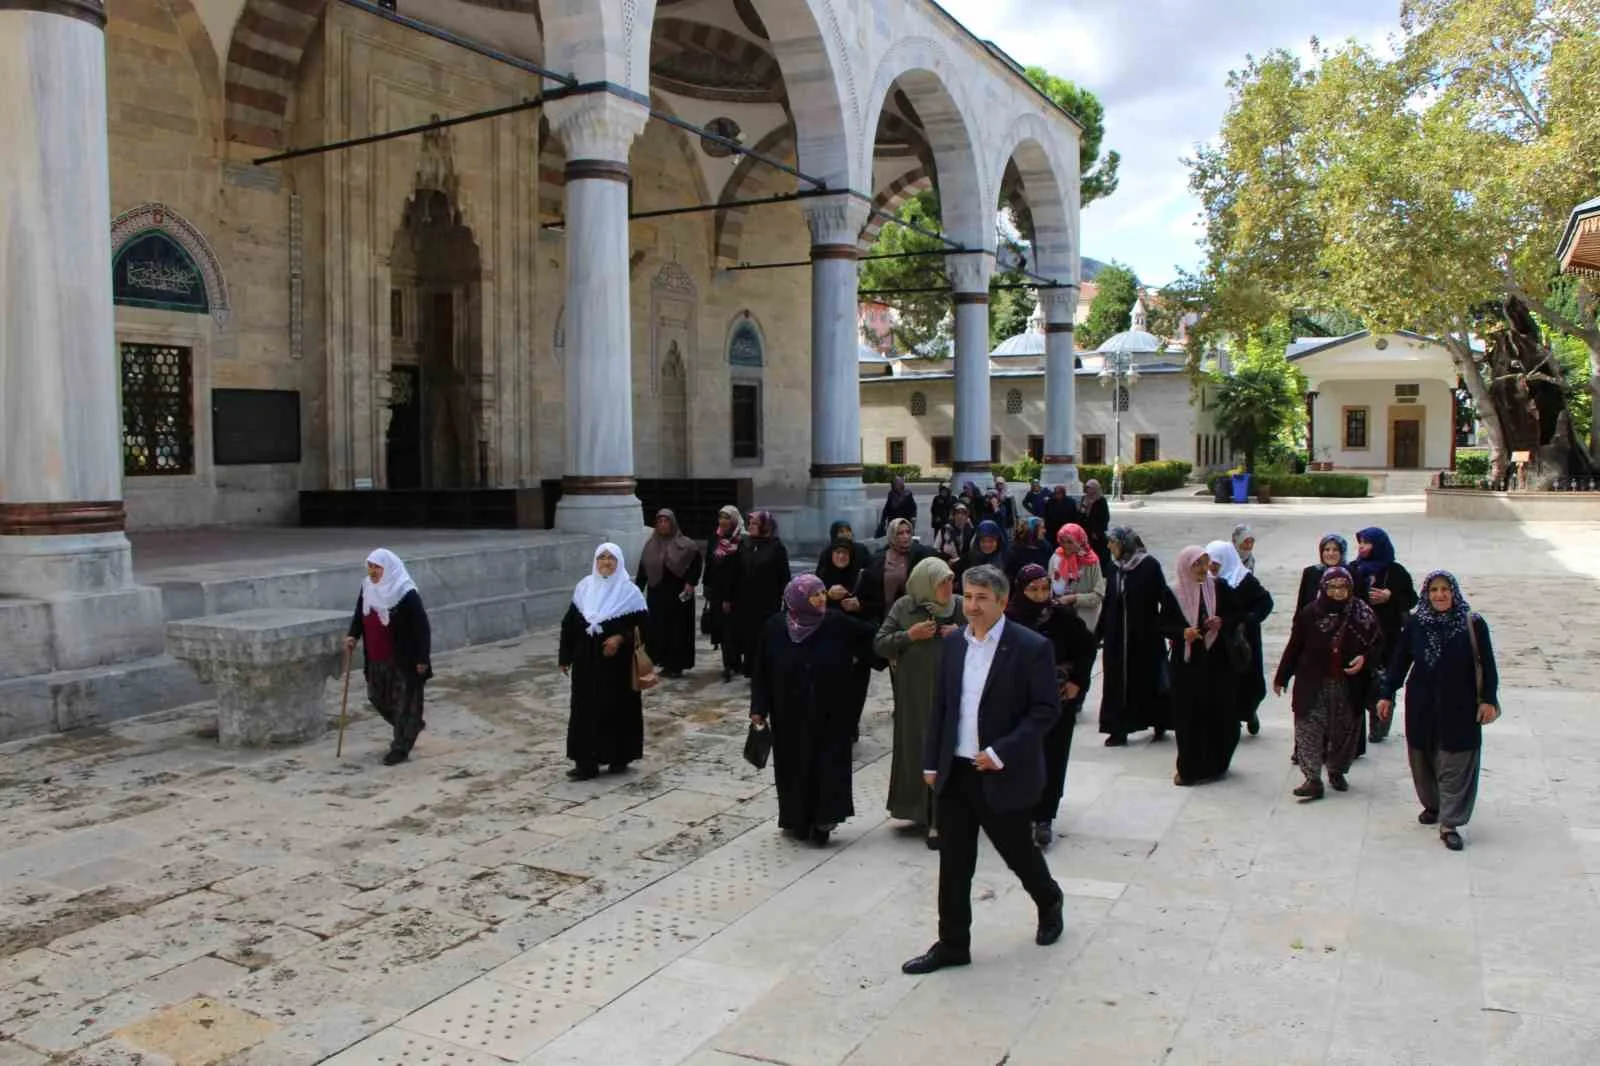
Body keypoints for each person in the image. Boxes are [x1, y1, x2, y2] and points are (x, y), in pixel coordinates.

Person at [901, 565, 1066, 975]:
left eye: (981, 599)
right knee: (954, 863)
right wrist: (930, 761)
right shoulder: (954, 643)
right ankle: (953, 943)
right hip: (956, 771)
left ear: (1003, 602)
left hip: (1000, 771)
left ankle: (1049, 900)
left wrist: (1002, 751)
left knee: (1018, 854)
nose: (971, 606)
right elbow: (942, 706)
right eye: (967, 597)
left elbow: (1046, 710)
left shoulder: (1030, 647)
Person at [1377, 571, 1499, 851]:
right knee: (1423, 758)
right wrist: (1386, 694)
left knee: (1455, 761)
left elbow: (1487, 664)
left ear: (1454, 592)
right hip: (1423, 704)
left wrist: (1488, 700)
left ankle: (1450, 822)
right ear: (1426, 594)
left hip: (1461, 705)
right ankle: (1433, 805)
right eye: (1434, 590)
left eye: (1445, 589)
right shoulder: (1416, 623)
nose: (1440, 595)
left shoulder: (1473, 623)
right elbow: (1399, 662)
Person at [751, 574, 876, 845]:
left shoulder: (835, 623)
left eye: (822, 593)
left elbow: (873, 640)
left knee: (827, 765)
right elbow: (761, 670)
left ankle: (824, 822)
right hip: (788, 713)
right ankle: (796, 819)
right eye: (813, 595)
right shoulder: (774, 627)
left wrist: (900, 646)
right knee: (793, 767)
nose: (820, 599)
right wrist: (758, 708)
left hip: (831, 711)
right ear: (796, 599)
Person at [875, 556, 966, 848]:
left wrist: (962, 633)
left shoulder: (962, 607)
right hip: (914, 695)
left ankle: (943, 819)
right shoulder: (905, 607)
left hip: (953, 694)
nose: (949, 587)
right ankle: (920, 811)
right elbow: (880, 642)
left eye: (951, 580)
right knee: (919, 749)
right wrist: (909, 635)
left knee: (948, 752)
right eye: (942, 582)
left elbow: (990, 635)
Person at [1007, 564, 1097, 848]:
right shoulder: (1009, 620)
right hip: (1019, 701)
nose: (1039, 595)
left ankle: (1045, 816)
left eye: (1044, 588)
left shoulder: (1062, 616)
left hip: (1057, 697)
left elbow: (1087, 648)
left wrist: (1078, 683)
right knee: (1019, 755)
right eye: (1032, 589)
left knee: (1053, 755)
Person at [1273, 566, 1382, 799]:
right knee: (1308, 728)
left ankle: (1337, 770)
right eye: (1332, 587)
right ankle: (1312, 778)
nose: (1337, 592)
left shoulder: (1362, 613)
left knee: (1345, 732)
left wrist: (1365, 658)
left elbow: (1378, 645)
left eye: (1342, 587)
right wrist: (1282, 676)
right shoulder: (1310, 613)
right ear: (1323, 588)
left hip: (1348, 684)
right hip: (1312, 682)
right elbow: (1295, 646)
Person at [559, 543, 649, 780]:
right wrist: (565, 657)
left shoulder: (630, 593)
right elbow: (569, 624)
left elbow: (645, 628)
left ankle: (619, 756)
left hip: (616, 666)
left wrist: (620, 638)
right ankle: (585, 763)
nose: (606, 562)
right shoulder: (584, 588)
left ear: (619, 562)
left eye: (611, 558)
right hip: (586, 662)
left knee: (616, 709)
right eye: (602, 557)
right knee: (584, 710)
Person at [345, 549, 433, 766]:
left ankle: (401, 747)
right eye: (371, 566)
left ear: (389, 568)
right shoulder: (367, 587)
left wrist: (422, 658)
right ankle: (409, 725)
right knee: (377, 697)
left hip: (402, 659)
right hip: (376, 657)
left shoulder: (406, 593)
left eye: (378, 567)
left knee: (404, 702)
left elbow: (422, 628)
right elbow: (360, 614)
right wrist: (353, 635)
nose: (373, 571)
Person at [1164, 546, 1242, 786]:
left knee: (1219, 713)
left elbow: (1237, 613)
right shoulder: (1173, 593)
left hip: (1216, 662)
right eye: (1196, 564)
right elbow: (1160, 623)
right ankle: (1189, 768)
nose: (1201, 569)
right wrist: (1182, 632)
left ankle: (1216, 764)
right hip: (1187, 664)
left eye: (1204, 563)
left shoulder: (1217, 587)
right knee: (1189, 717)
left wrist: (1222, 622)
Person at [1098, 527, 1171, 746]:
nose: (1109, 546)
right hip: (1116, 637)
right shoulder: (1113, 568)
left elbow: (1164, 598)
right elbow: (1109, 601)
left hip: (1144, 636)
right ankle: (1118, 729)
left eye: (1113, 542)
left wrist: (1171, 628)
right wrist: (1098, 633)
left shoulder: (1149, 566)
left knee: (1148, 679)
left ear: (1125, 543)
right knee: (1116, 682)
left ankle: (1159, 721)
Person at [1352, 526, 1418, 743]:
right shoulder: (1353, 569)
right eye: (1360, 543)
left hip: (1389, 635)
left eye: (1367, 543)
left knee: (1384, 680)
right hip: (1359, 635)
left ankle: (1380, 720)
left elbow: (1412, 600)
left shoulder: (1396, 571)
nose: (1362, 547)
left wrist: (1390, 596)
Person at [1205, 538, 1273, 736]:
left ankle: (1249, 712)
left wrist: (1247, 620)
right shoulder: (1206, 581)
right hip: (1218, 641)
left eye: (1216, 564)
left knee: (1247, 680)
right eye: (1209, 563)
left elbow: (1265, 603)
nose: (1212, 568)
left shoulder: (1244, 580)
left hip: (1242, 641)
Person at [817, 536, 872, 742]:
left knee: (855, 690)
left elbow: (874, 606)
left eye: (845, 553)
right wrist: (828, 595)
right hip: (829, 644)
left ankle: (851, 727)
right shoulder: (821, 577)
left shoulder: (862, 577)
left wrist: (859, 605)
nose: (840, 557)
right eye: (837, 553)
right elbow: (809, 604)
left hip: (855, 645)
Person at [637, 509, 703, 679]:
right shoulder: (650, 545)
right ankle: (664, 662)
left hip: (678, 594)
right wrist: (636, 592)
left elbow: (695, 562)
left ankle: (677, 665)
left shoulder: (686, 544)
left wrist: (691, 582)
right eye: (660, 521)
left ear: (673, 523)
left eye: (666, 521)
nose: (663, 524)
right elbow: (643, 570)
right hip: (657, 594)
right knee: (659, 629)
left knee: (678, 631)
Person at [732, 511, 791, 679]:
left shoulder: (776, 547)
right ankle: (751, 669)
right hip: (745, 601)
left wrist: (786, 601)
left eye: (755, 524)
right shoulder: (745, 544)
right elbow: (737, 572)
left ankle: (765, 671)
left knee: (765, 637)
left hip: (767, 601)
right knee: (749, 637)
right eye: (750, 523)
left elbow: (784, 576)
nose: (750, 526)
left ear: (765, 526)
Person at [857, 517, 937, 625]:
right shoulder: (878, 559)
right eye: (900, 533)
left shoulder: (920, 555)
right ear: (892, 535)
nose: (906, 536)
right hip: (884, 617)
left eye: (908, 532)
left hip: (913, 618)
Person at [703, 505, 745, 682]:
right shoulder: (715, 537)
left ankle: (736, 662)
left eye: (727, 517)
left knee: (735, 628)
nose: (723, 521)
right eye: (721, 517)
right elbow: (709, 562)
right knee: (722, 628)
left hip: (737, 591)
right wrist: (706, 585)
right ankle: (728, 663)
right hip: (718, 591)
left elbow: (742, 569)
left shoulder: (742, 540)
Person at [1048, 523, 1106, 636]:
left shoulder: (1091, 562)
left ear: (1080, 541)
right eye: (1062, 541)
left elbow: (1098, 596)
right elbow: (1049, 587)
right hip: (1060, 619)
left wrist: (1074, 598)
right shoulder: (1056, 557)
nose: (1065, 546)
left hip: (1084, 621)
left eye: (1070, 542)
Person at [1295, 533, 1370, 613]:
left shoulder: (1352, 574)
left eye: (1335, 550)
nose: (1331, 554)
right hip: (1313, 620)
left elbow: (1362, 605)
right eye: (1327, 550)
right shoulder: (1311, 572)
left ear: (1342, 553)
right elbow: (1302, 604)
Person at [1079, 479, 1112, 578]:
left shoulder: (1101, 500)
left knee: (1100, 553)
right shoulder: (1084, 499)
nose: (1088, 490)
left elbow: (1105, 517)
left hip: (1097, 534)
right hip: (1086, 531)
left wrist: (1097, 531)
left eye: (1090, 488)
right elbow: (1081, 514)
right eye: (1087, 488)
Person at [935, 503, 978, 577]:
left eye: (963, 514)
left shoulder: (972, 531)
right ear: (953, 516)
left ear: (967, 516)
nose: (960, 516)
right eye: (957, 513)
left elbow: (974, 551)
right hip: (946, 566)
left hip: (965, 568)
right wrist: (946, 560)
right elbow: (936, 548)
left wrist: (959, 560)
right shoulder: (944, 530)